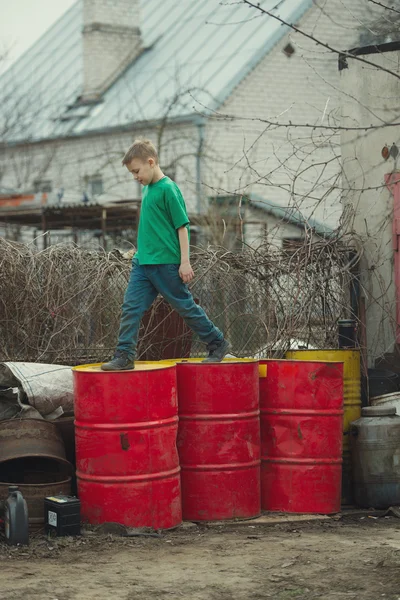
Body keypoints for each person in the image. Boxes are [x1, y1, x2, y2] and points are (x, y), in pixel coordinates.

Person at [101, 139, 230, 371]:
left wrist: (185, 262)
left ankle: (217, 343)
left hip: (166, 265)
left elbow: (182, 227)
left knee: (185, 308)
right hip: (143, 264)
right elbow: (154, 227)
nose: (135, 177)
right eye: (132, 173)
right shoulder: (148, 190)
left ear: (151, 162)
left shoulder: (169, 189)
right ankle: (124, 355)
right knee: (131, 308)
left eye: (137, 171)